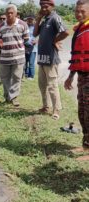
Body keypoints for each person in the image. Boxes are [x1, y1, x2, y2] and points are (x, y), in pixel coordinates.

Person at [34, 0, 69, 120]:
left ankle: (56, 109)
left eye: (46, 6)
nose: (43, 8)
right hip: (42, 58)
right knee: (42, 85)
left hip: (51, 58)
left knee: (52, 85)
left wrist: (55, 40)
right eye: (41, 6)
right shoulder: (44, 19)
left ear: (52, 6)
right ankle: (45, 106)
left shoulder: (55, 17)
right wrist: (38, 18)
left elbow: (66, 32)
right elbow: (34, 34)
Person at [64, 0, 89, 161]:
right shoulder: (79, 29)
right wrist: (70, 76)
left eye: (82, 11)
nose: (79, 14)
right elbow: (77, 55)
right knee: (82, 111)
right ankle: (86, 144)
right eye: (77, 11)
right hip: (82, 76)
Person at [0, 4, 29, 107]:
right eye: (8, 13)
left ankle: (14, 97)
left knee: (16, 78)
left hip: (18, 57)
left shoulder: (22, 24)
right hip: (4, 57)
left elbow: (26, 38)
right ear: (5, 14)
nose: (10, 15)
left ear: (16, 13)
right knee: (4, 77)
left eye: (12, 13)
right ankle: (7, 97)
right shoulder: (2, 26)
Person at [24, 16, 38, 80]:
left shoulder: (36, 27)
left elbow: (41, 36)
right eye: (28, 19)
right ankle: (26, 74)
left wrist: (37, 40)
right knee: (25, 62)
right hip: (25, 48)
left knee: (31, 62)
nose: (29, 20)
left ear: (34, 20)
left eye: (31, 19)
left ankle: (31, 76)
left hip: (33, 48)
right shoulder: (25, 26)